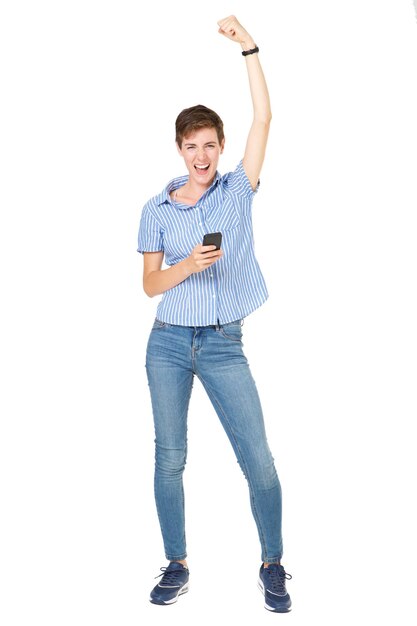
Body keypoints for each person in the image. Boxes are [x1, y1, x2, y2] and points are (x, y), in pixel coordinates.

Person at [137, 15, 292, 613]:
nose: (201, 155)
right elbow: (150, 284)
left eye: (210, 145)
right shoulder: (155, 207)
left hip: (224, 342)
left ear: (220, 147)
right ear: (179, 149)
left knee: (258, 458)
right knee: (169, 456)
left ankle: (273, 563)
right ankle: (176, 563)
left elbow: (265, 119)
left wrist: (249, 47)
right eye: (190, 146)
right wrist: (187, 267)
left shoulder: (236, 191)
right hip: (168, 342)